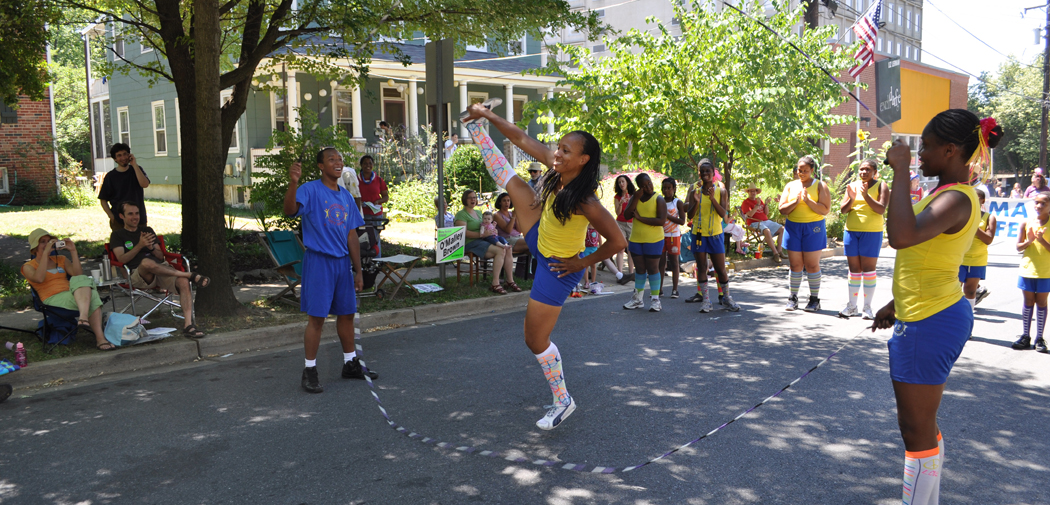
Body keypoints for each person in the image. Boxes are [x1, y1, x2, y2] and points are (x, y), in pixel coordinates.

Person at [461, 102, 626, 430]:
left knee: (534, 340)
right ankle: (476, 129)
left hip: (557, 268)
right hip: (538, 233)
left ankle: (563, 400)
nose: (558, 154)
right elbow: (522, 138)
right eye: (559, 147)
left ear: (583, 160)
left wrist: (580, 262)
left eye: (567, 150)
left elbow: (618, 242)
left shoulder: (585, 200)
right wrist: (489, 116)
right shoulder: (558, 174)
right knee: (510, 179)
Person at [872, 109, 1002, 505]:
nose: (919, 153)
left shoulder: (955, 199)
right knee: (921, 428)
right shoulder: (948, 195)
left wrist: (897, 170)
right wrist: (898, 301)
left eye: (926, 147)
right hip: (927, 312)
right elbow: (933, 257)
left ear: (950, 150)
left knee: (915, 430)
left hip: (931, 321)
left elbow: (901, 236)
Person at [283, 148, 377, 394]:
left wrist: (358, 271)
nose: (338, 162)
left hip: (342, 264)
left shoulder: (345, 196)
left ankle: (350, 363)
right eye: (331, 159)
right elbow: (290, 210)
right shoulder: (310, 189)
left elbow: (352, 235)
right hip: (319, 262)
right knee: (317, 319)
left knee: (346, 314)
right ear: (321, 166)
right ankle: (310, 370)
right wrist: (293, 184)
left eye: (340, 159)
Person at [109, 202, 209, 337]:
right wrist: (139, 245)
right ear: (121, 216)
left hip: (162, 271)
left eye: (137, 213)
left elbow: (161, 256)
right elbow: (121, 259)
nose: (135, 217)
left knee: (183, 282)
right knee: (146, 262)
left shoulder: (148, 230)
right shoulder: (118, 235)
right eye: (130, 214)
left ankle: (188, 325)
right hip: (139, 276)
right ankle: (189, 274)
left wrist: (150, 247)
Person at [22, 229, 113, 351]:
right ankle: (100, 338)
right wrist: (45, 255)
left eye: (49, 241)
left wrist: (73, 251)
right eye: (43, 242)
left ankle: (83, 318)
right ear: (35, 247)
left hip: (73, 294)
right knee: (93, 296)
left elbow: (78, 274)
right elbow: (39, 278)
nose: (47, 244)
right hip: (52, 299)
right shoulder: (28, 266)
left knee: (82, 278)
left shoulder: (61, 259)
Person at [839, 158, 889, 319]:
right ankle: (852, 306)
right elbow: (843, 210)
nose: (864, 172)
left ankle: (867, 308)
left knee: (868, 269)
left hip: (872, 232)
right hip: (852, 231)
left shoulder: (882, 186)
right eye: (861, 169)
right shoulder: (852, 186)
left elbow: (880, 209)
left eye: (868, 169)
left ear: (875, 172)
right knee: (854, 270)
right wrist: (852, 198)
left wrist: (866, 195)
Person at [687, 160, 740, 312]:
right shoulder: (694, 192)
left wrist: (712, 199)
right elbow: (689, 215)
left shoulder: (721, 191)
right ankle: (706, 300)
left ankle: (727, 298)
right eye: (702, 172)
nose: (705, 174)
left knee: (720, 268)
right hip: (698, 234)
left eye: (707, 171)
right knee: (702, 267)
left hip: (715, 235)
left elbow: (723, 214)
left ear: (713, 173)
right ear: (699, 174)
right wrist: (696, 202)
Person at [779, 155, 830, 312]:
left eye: (805, 170)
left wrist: (808, 201)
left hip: (813, 228)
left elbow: (825, 210)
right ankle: (792, 297)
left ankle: (814, 299)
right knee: (795, 264)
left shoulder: (820, 185)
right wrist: (796, 201)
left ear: (812, 170)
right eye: (799, 170)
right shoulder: (790, 186)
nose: (801, 173)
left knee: (812, 264)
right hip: (793, 227)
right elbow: (782, 209)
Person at [454, 190, 520, 294]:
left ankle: (510, 281)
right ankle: (495, 283)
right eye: (470, 198)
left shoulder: (479, 212)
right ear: (465, 200)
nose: (473, 200)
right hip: (470, 243)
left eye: (475, 197)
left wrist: (493, 230)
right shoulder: (461, 215)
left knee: (507, 249)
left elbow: (486, 225)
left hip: (483, 241)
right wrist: (482, 235)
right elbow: (462, 233)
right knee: (500, 249)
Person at [622, 173, 667, 312]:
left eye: (649, 183)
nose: (648, 187)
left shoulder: (658, 199)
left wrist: (641, 218)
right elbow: (627, 215)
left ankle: (655, 300)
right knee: (640, 270)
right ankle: (638, 299)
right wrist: (635, 197)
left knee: (653, 269)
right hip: (636, 239)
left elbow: (661, 221)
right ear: (639, 187)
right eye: (644, 185)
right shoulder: (636, 198)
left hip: (654, 240)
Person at [1012, 192, 1050, 353]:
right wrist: (1029, 241)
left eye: (1043, 203)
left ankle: (1039, 338)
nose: (1039, 206)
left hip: (1045, 271)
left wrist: (1041, 240)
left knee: (1041, 302)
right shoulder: (1026, 223)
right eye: (1036, 202)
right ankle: (1025, 335)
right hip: (1028, 269)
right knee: (1028, 302)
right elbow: (1018, 247)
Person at [99, 143, 150, 230]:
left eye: (125, 154)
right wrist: (111, 216)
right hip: (119, 221)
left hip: (138, 219)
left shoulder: (137, 170)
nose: (123, 158)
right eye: (119, 155)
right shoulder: (110, 176)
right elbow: (103, 200)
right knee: (122, 243)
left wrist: (134, 165)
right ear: (115, 159)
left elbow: (145, 184)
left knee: (143, 242)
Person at [960, 189, 995, 313]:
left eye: (977, 198)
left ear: (983, 201)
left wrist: (974, 225)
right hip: (959, 259)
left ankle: (967, 319)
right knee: (954, 290)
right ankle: (953, 318)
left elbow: (988, 239)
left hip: (977, 260)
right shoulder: (961, 216)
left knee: (970, 290)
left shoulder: (989, 217)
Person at [741, 182, 784, 264]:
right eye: (751, 191)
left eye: (754, 191)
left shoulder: (759, 200)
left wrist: (766, 204)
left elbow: (766, 213)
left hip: (766, 221)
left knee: (782, 229)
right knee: (767, 231)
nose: (753, 193)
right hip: (755, 223)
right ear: (748, 192)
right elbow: (750, 214)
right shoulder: (746, 202)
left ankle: (780, 251)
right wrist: (757, 205)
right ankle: (775, 254)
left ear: (756, 192)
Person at [660, 177, 687, 299]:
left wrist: (668, 216)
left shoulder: (678, 202)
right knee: (661, 263)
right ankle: (659, 289)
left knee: (674, 263)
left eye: (669, 188)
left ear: (674, 189)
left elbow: (682, 221)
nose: (666, 191)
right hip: (661, 236)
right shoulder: (659, 201)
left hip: (673, 236)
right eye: (664, 188)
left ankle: (675, 289)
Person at [357, 155, 388, 256]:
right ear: (361, 165)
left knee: (375, 238)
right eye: (365, 163)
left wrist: (378, 201)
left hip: (376, 214)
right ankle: (364, 262)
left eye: (370, 163)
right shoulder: (356, 180)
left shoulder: (378, 180)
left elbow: (385, 197)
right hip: (362, 214)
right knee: (363, 238)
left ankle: (376, 261)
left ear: (373, 165)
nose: (368, 165)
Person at [612, 174, 636, 284]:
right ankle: (620, 274)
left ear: (627, 182)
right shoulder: (617, 197)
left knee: (631, 249)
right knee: (621, 248)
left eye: (623, 181)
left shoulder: (633, 195)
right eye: (619, 182)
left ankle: (631, 273)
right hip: (620, 223)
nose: (621, 184)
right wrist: (621, 203)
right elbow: (617, 212)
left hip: (631, 223)